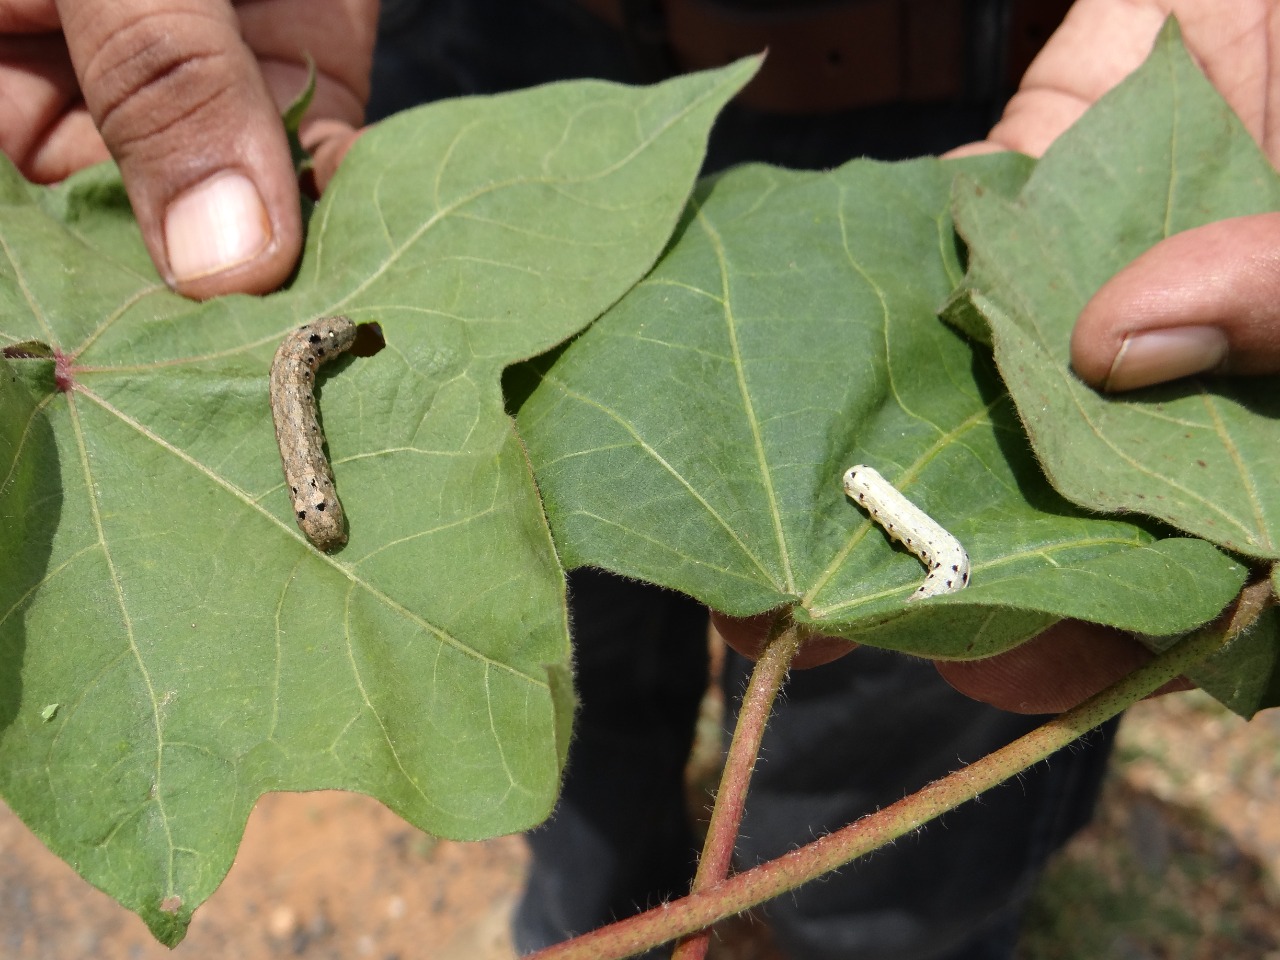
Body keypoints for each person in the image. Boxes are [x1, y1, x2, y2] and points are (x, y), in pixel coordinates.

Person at [2, 1, 1275, 956]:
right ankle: (592, 904)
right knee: (571, 651)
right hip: (486, 58)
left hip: (989, 91)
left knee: (876, 808)